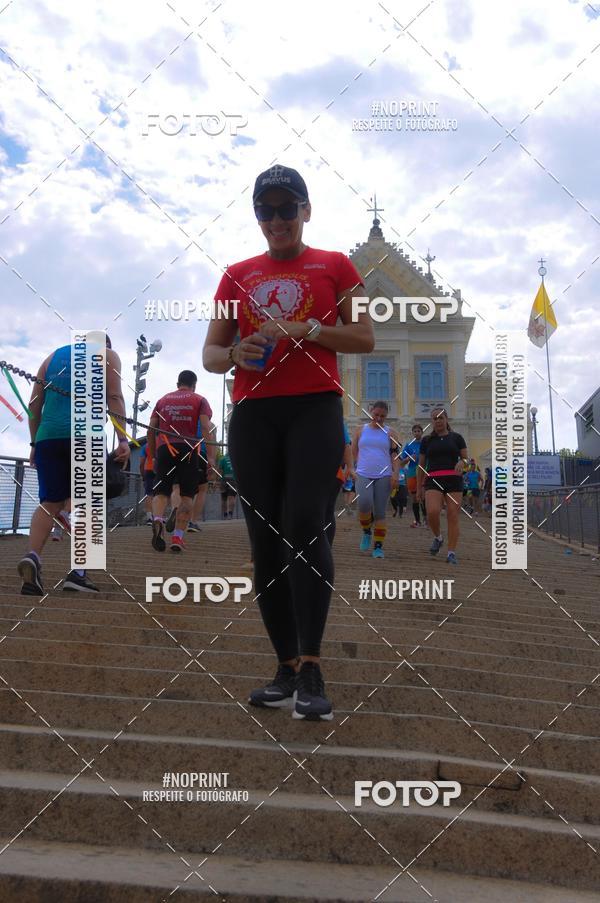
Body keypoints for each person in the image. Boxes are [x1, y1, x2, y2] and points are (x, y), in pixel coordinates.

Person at [203, 164, 373, 721]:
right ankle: (284, 665)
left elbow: (365, 336)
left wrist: (311, 330)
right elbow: (210, 355)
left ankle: (314, 664)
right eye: (265, 210)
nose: (275, 220)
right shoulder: (235, 275)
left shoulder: (336, 266)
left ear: (306, 210)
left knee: (304, 524)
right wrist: (236, 354)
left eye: (286, 208)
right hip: (253, 414)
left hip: (314, 408)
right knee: (265, 540)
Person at [17, 335, 129, 595]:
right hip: (86, 436)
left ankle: (33, 557)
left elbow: (34, 404)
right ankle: (78, 575)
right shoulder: (108, 355)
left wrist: (34, 442)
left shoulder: (51, 357)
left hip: (48, 437)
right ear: (106, 343)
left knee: (50, 503)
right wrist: (123, 438)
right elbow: (114, 396)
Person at [147, 370, 211, 553]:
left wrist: (153, 454)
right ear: (194, 384)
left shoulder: (162, 400)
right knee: (187, 495)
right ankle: (177, 538)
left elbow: (151, 429)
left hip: (165, 448)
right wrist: (211, 458)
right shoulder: (199, 399)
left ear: (178, 383)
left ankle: (158, 520)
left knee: (161, 492)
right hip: (188, 450)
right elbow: (206, 427)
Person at [416, 407, 468, 566]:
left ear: (446, 419)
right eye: (434, 418)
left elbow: (467, 460)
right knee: (432, 512)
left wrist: (462, 462)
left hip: (454, 480)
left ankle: (451, 552)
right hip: (433, 479)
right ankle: (438, 537)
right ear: (431, 422)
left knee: (452, 515)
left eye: (440, 418)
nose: (438, 421)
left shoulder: (457, 438)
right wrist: (419, 487)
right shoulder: (426, 440)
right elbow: (421, 465)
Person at [351, 401, 400, 559]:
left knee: (380, 512)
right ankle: (366, 531)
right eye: (376, 414)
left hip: (384, 475)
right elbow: (353, 452)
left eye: (382, 416)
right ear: (370, 412)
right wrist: (350, 469)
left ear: (386, 416)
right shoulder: (360, 430)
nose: (378, 418)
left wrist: (395, 474)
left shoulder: (391, 432)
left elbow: (395, 456)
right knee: (364, 504)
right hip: (363, 473)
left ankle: (378, 547)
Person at [400, 423, 426, 527]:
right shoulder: (409, 445)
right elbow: (402, 462)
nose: (417, 433)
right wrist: (409, 458)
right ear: (412, 433)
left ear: (422, 432)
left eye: (418, 431)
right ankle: (417, 520)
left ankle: (426, 519)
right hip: (411, 472)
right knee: (414, 497)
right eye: (415, 431)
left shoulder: (426, 443)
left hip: (423, 471)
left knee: (423, 496)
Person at [138, 437, 155, 525]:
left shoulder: (145, 447)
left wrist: (143, 475)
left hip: (149, 470)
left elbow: (141, 463)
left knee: (149, 494)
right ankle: (159, 517)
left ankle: (149, 518)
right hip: (161, 470)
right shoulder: (162, 443)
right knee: (161, 494)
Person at [219, 451, 237, 518]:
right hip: (233, 480)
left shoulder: (222, 459)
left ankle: (225, 514)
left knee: (224, 499)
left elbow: (220, 470)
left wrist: (217, 480)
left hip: (224, 480)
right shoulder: (235, 459)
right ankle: (230, 513)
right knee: (231, 497)